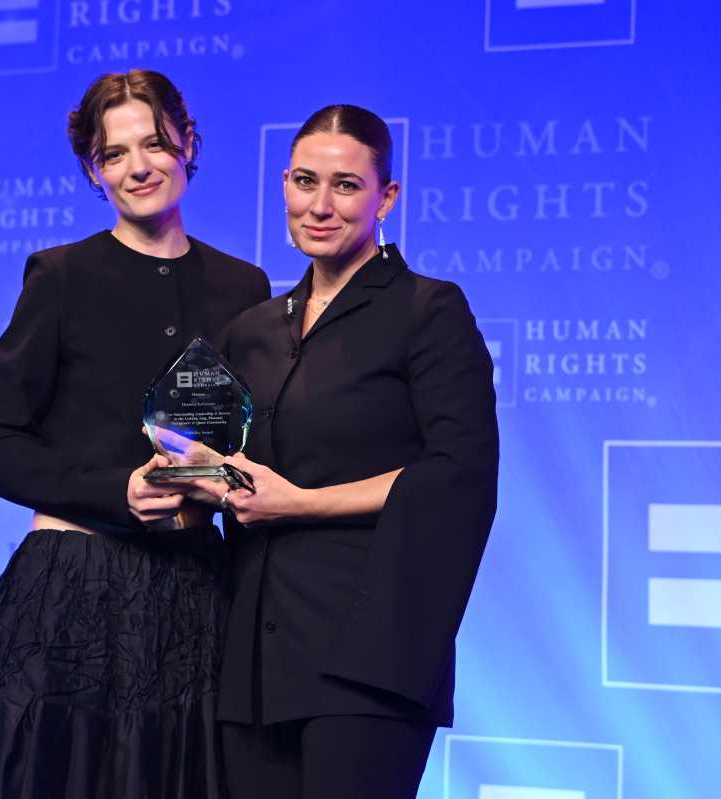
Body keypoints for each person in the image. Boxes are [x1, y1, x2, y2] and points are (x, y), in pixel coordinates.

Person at [0, 70, 270, 799]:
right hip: (73, 590)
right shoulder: (61, 276)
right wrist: (114, 492)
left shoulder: (243, 288)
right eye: (113, 154)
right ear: (93, 170)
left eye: (154, 143)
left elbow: (244, 440)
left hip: (195, 591)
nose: (137, 167)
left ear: (188, 145)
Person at [195, 105, 498, 798]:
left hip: (370, 652)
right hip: (251, 659)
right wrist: (183, 479)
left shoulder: (428, 311)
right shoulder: (250, 330)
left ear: (386, 198)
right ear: (283, 185)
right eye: (306, 181)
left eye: (346, 186)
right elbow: (218, 464)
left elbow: (460, 473)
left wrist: (299, 504)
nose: (320, 205)